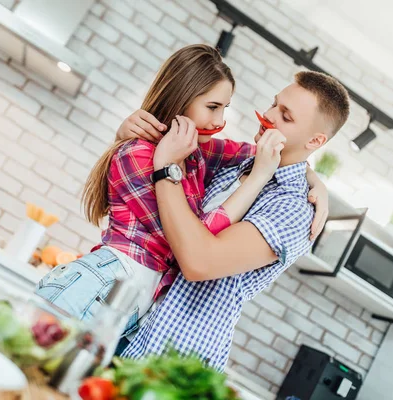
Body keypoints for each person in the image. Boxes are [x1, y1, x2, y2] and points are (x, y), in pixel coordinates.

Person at [36, 45, 327, 346]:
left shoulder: (197, 154)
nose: (219, 121)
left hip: (122, 304)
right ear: (182, 100)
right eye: (212, 107)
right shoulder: (138, 155)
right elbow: (188, 241)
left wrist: (314, 179)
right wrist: (257, 179)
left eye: (224, 108)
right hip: (97, 286)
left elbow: (273, 155)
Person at [120, 70, 350, 371]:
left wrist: (166, 169)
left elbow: (200, 262)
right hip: (129, 326)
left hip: (169, 360)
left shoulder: (294, 210)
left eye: (286, 116)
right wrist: (126, 133)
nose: (267, 116)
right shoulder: (238, 162)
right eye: (273, 104)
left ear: (316, 139)